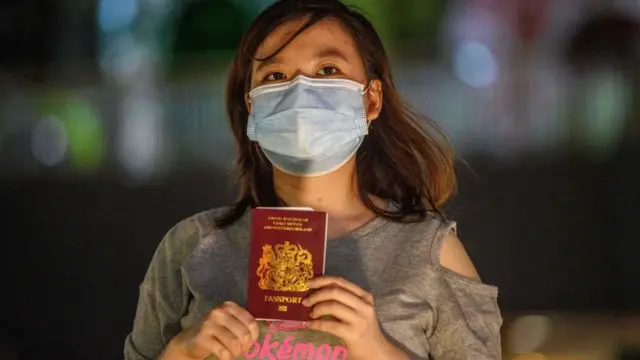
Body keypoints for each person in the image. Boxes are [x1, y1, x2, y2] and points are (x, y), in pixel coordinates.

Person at [124, 0, 502, 359]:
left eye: (327, 71)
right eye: (275, 75)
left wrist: (377, 349)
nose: (300, 91)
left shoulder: (431, 251)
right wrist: (182, 351)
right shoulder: (191, 245)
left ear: (371, 101)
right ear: (253, 105)